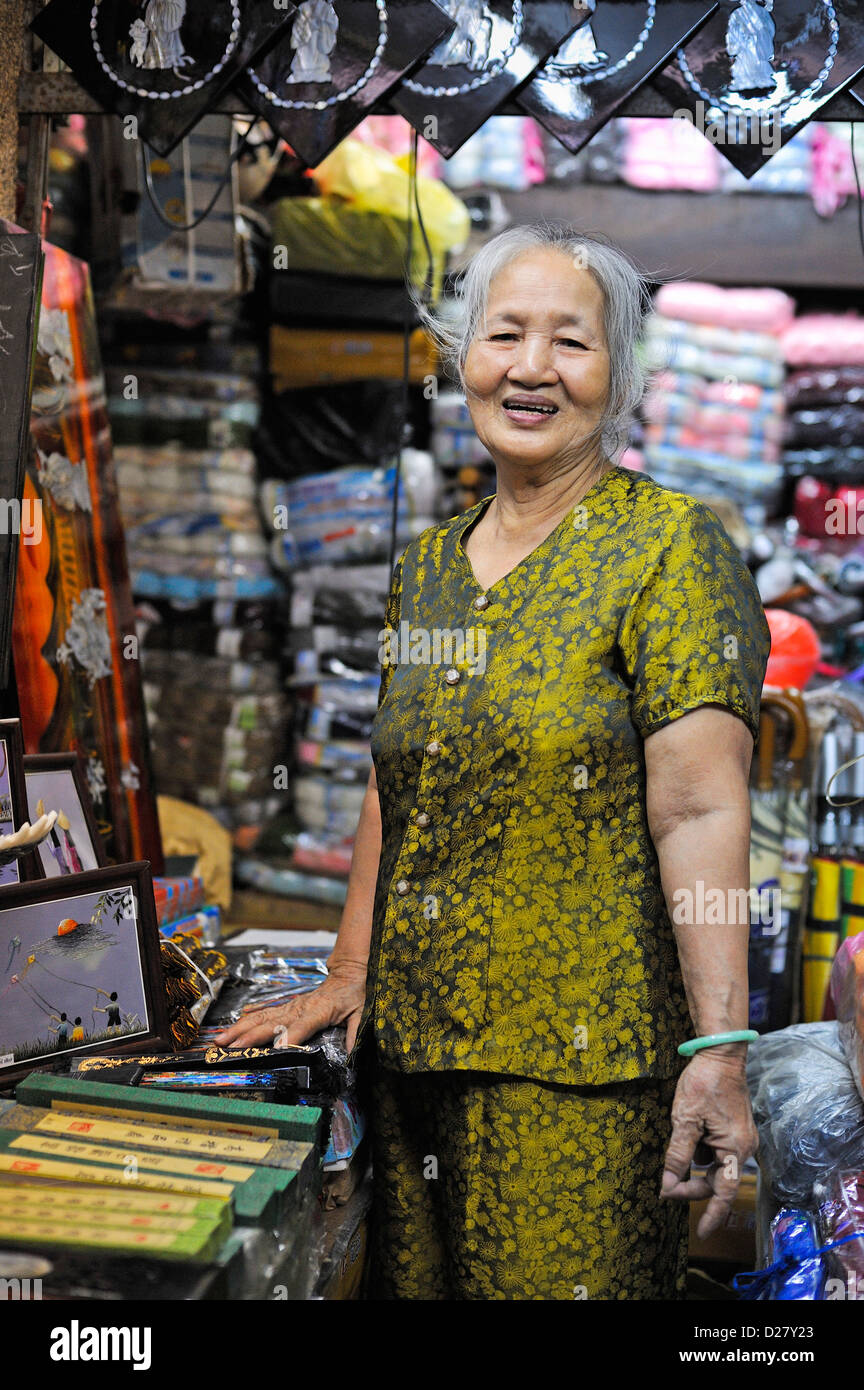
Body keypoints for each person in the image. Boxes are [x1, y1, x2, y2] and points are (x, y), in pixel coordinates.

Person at [216, 225, 771, 1300]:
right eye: (503, 333)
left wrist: (723, 1045)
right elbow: (396, 785)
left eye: (571, 342)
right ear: (459, 353)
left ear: (620, 378)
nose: (529, 367)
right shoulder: (426, 567)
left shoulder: (670, 546)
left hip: (584, 1075)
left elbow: (701, 807)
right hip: (415, 1063)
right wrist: (349, 970)